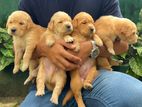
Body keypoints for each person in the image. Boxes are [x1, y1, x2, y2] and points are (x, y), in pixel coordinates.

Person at [19, 0, 142, 107]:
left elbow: (123, 44)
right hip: (49, 82)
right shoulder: (31, 2)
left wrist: (91, 48)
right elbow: (20, 47)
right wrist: (44, 50)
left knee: (136, 96)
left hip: (94, 76)